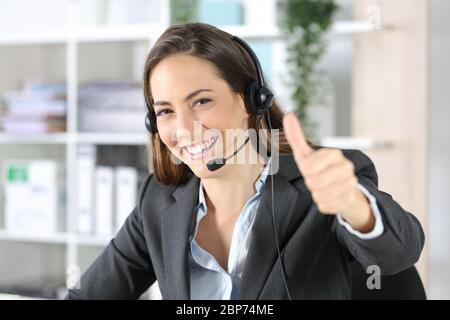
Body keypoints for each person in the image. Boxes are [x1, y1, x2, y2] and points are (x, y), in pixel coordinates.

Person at [66, 22, 424, 300]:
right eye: (166, 111)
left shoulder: (323, 182)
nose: (185, 129)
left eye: (202, 101)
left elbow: (397, 254)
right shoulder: (159, 201)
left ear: (251, 101)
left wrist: (354, 206)